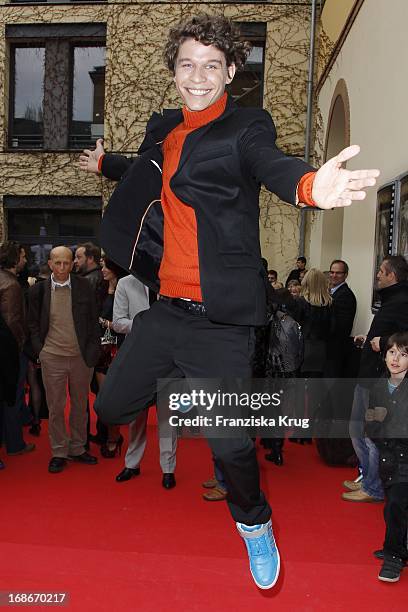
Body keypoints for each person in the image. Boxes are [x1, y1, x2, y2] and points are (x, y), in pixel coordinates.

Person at [79, 14, 379, 589]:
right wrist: (103, 163)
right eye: (187, 64)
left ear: (231, 71)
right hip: (165, 310)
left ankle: (255, 525)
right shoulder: (164, 131)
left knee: (231, 444)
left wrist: (313, 185)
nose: (198, 76)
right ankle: (194, 390)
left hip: (221, 322)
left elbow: (271, 165)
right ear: (173, 71)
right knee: (112, 407)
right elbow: (150, 168)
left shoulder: (246, 127)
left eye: (211, 65)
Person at [28, 246, 100, 473]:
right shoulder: (38, 291)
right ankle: (59, 451)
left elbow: (92, 322)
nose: (61, 268)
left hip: (80, 357)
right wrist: (41, 350)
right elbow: (32, 324)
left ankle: (77, 448)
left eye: (66, 263)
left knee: (80, 406)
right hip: (52, 357)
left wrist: (92, 350)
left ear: (73, 264)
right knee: (56, 407)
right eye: (57, 263)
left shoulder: (84, 287)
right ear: (50, 264)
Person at [343, 255, 408, 502]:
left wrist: (384, 343)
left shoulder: (401, 301)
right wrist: (369, 337)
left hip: (379, 377)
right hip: (369, 373)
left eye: (381, 271)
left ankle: (373, 487)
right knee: (357, 429)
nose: (377, 275)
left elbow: (401, 338)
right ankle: (368, 477)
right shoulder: (393, 300)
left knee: (369, 433)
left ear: (392, 275)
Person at [112, 274, 178, 488]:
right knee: (136, 415)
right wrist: (147, 326)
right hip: (137, 358)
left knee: (167, 416)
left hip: (168, 358)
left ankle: (168, 468)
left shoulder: (172, 283)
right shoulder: (125, 283)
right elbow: (118, 322)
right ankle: (132, 464)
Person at [365, 332, 408, 582]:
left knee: (395, 506)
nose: (396, 359)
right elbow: (370, 424)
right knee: (393, 506)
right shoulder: (379, 386)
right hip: (387, 458)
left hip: (404, 457)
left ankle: (394, 556)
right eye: (392, 352)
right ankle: (398, 545)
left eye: (403, 354)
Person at [0, 241, 35, 456]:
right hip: (11, 351)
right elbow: (13, 323)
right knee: (13, 396)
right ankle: (15, 444)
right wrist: (22, 349)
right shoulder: (11, 285)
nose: (25, 260)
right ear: (14, 258)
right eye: (23, 256)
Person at [95, 257, 126, 458]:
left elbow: (129, 321)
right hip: (101, 351)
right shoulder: (99, 289)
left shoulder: (125, 290)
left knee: (112, 398)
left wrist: (107, 323)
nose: (103, 270)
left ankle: (114, 437)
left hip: (120, 349)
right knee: (102, 396)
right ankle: (106, 434)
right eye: (102, 266)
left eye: (106, 266)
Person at [325, 259, 357, 377]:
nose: (334, 275)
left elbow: (341, 327)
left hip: (335, 350)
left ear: (345, 275)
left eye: (338, 273)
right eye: (332, 272)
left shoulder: (346, 296)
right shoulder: (331, 292)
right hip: (328, 350)